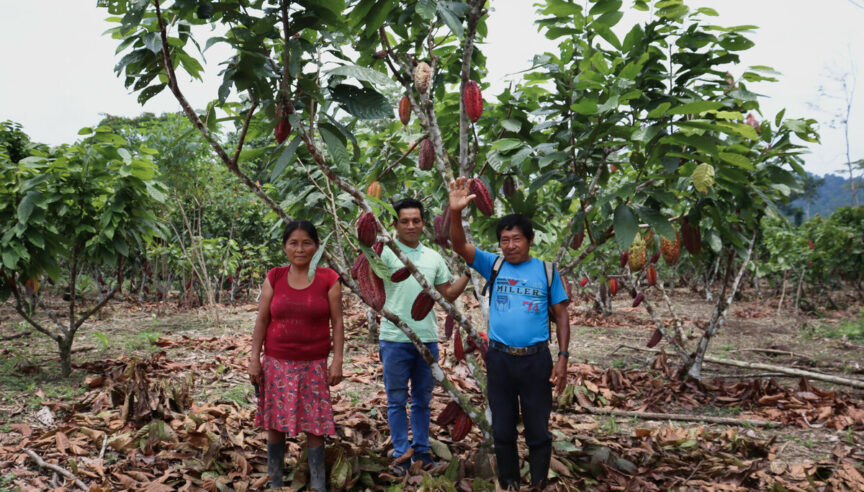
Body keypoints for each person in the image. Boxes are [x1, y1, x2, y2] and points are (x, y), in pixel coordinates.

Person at [447, 177, 570, 489]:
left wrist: (563, 358)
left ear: (529, 240)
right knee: (503, 429)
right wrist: (456, 212)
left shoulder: (547, 271)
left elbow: (561, 315)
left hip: (536, 360)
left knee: (537, 429)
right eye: (505, 240)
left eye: (516, 239)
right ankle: (510, 482)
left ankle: (538, 482)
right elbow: (459, 245)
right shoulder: (494, 265)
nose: (510, 245)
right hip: (500, 359)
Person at [248, 220, 344, 490]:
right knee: (275, 423)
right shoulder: (275, 277)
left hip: (313, 364)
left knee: (315, 424)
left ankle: (318, 483)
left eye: (306, 243)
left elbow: (337, 322)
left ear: (316, 247)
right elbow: (262, 319)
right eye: (293, 243)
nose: (300, 249)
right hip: (276, 362)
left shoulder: (329, 278)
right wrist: (254, 358)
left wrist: (337, 361)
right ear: (285, 247)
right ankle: (275, 481)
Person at [378, 198, 471, 475]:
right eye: (404, 221)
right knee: (396, 400)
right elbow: (367, 283)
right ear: (394, 224)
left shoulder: (433, 257)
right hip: (394, 338)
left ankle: (421, 451)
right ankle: (401, 454)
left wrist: (468, 273)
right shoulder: (384, 253)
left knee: (422, 399)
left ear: (423, 223)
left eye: (416, 221)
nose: (410, 226)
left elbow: (447, 294)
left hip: (427, 338)